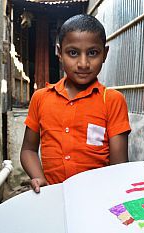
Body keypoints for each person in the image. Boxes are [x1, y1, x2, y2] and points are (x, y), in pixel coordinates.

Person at [20, 14, 131, 193]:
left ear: (105, 53)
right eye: (73, 53)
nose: (83, 63)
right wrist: (38, 177)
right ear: (59, 52)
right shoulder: (41, 98)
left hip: (97, 198)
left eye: (93, 53)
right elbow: (28, 150)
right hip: (53, 196)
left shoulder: (112, 100)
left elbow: (119, 166)